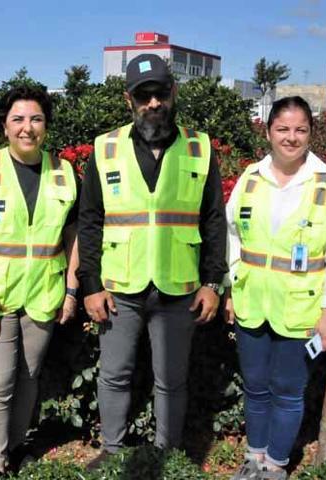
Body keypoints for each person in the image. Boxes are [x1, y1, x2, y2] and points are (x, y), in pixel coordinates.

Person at [77, 54, 228, 466]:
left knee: (171, 380)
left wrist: (213, 283)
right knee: (114, 374)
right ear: (130, 100)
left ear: (173, 92)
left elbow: (215, 218)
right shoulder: (105, 148)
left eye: (160, 93)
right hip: (119, 287)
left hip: (179, 287)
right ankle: (111, 451)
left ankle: (168, 454)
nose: (154, 103)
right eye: (144, 96)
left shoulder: (199, 147)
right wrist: (89, 284)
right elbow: (89, 220)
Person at [225, 96, 326, 480]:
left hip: (301, 306)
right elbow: (234, 239)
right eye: (283, 128)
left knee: (287, 388)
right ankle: (254, 457)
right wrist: (232, 288)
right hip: (252, 301)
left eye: (300, 129)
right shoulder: (250, 177)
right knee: (255, 386)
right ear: (268, 132)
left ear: (311, 134)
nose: (291, 137)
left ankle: (276, 464)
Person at [0, 85, 80, 473]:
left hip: (44, 295)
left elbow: (72, 237)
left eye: (36, 119)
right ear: (5, 126)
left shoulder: (64, 173)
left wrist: (71, 290)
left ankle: (14, 448)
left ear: (46, 125)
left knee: (29, 378)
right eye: (18, 119)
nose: (27, 127)